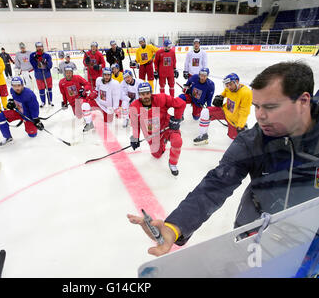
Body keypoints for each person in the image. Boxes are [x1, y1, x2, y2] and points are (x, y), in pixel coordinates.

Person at [127, 61, 319, 254]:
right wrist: (175, 226)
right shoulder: (252, 142)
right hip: (257, 235)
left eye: (270, 106)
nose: (260, 116)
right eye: (256, 106)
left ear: (303, 101)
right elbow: (216, 184)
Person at [129, 82, 185, 176]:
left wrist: (177, 118)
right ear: (139, 95)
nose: (145, 96)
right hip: (151, 133)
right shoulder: (134, 106)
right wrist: (135, 138)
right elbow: (135, 125)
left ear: (151, 93)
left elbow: (181, 104)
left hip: (167, 126)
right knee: (156, 155)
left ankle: (172, 163)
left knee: (177, 141)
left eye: (147, 93)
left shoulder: (161, 98)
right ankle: (163, 142)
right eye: (142, 94)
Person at [193, 72, 252, 145]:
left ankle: (243, 126)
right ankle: (203, 135)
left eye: (230, 84)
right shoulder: (229, 88)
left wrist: (240, 126)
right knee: (205, 112)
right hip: (225, 111)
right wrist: (221, 96)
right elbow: (225, 92)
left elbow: (244, 112)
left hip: (234, 120)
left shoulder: (246, 93)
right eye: (227, 85)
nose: (229, 87)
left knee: (234, 143)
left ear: (236, 82)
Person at [0, 76, 44, 146]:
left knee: (32, 135)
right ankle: (7, 137)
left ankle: (33, 129)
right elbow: (16, 99)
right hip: (18, 112)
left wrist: (36, 119)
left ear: (22, 85)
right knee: (0, 117)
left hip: (27, 116)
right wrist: (12, 103)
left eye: (19, 85)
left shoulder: (29, 94)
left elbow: (34, 107)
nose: (17, 88)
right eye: (14, 86)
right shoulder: (12, 91)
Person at [81, 67, 121, 132]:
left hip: (108, 108)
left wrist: (115, 109)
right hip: (98, 102)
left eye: (108, 75)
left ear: (111, 75)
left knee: (107, 129)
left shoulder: (114, 84)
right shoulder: (99, 80)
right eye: (105, 75)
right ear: (102, 75)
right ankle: (89, 123)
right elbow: (97, 89)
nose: (106, 77)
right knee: (85, 105)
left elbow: (116, 99)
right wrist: (95, 92)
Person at [29, 42, 54, 107]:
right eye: (38, 47)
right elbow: (34, 65)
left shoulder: (47, 55)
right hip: (39, 76)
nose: (39, 48)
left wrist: (44, 61)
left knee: (49, 89)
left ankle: (50, 101)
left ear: (42, 47)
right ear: (36, 47)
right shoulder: (32, 55)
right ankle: (43, 102)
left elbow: (50, 66)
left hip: (47, 75)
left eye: (40, 46)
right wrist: (36, 60)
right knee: (41, 90)